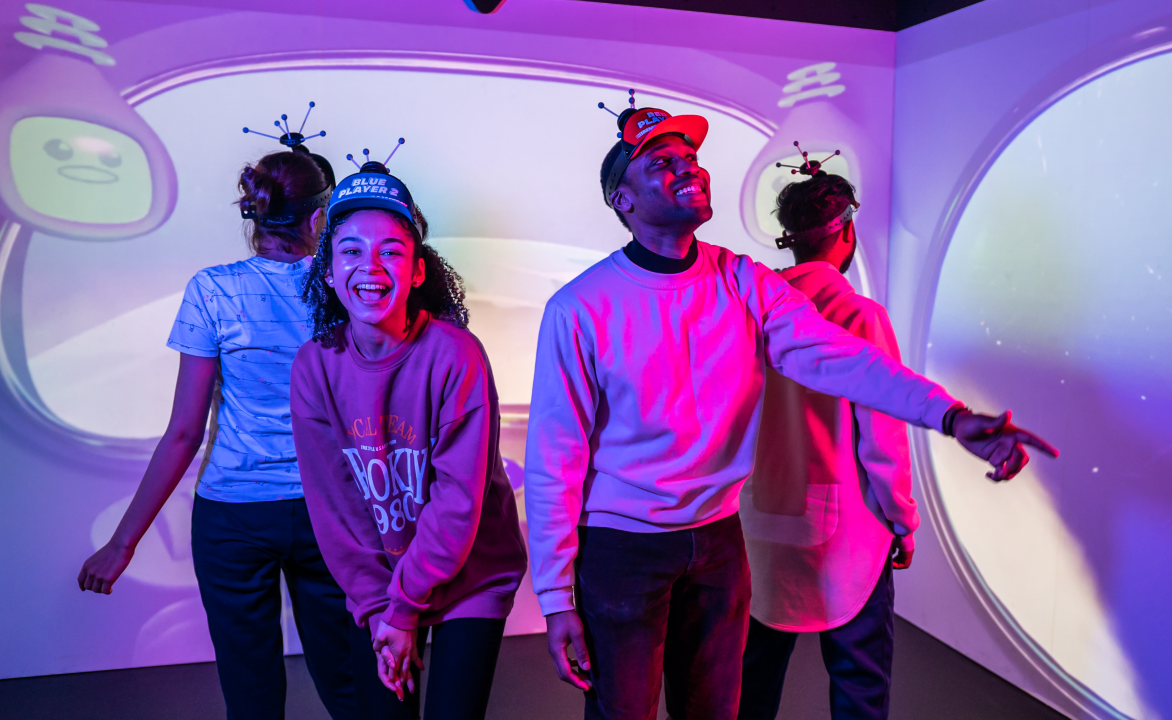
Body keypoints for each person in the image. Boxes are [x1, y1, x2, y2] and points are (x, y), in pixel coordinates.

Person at [524, 102, 1059, 720]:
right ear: (623, 200)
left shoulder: (743, 282)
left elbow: (843, 359)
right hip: (622, 544)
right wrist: (556, 595)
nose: (688, 170)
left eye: (692, 158)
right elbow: (554, 460)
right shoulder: (580, 307)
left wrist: (952, 417)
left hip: (720, 540)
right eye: (662, 163)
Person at [77, 147, 358, 720]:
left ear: (255, 213)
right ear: (317, 218)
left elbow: (184, 433)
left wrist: (122, 542)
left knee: (249, 692)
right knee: (351, 682)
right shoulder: (343, 286)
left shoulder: (213, 290)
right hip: (326, 510)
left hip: (233, 516)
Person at [291, 157, 527, 720]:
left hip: (471, 574)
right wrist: (380, 607)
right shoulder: (314, 367)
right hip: (379, 581)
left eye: (391, 250)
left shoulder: (455, 355)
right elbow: (336, 509)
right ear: (327, 271)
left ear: (417, 270)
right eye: (350, 250)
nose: (369, 266)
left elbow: (458, 501)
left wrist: (404, 609)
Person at [737, 171, 914, 720]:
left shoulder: (751, 314)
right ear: (846, 230)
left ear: (790, 234)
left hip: (757, 525)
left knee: (749, 684)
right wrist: (902, 520)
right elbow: (883, 435)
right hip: (848, 535)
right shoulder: (859, 317)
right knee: (858, 684)